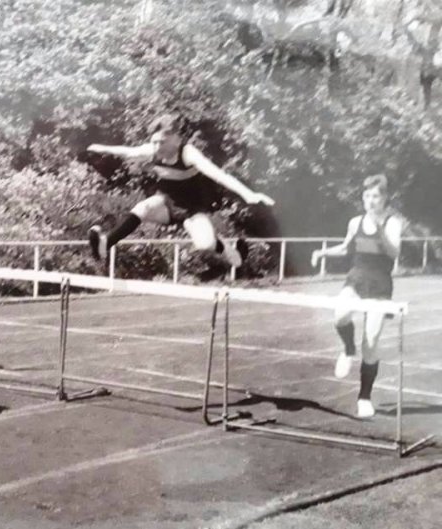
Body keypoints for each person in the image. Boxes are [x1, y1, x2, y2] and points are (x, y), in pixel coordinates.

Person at [86, 114, 274, 269]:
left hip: (192, 207)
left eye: (162, 142)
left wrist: (248, 194)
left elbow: (218, 175)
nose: (157, 147)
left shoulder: (188, 153)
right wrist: (101, 148)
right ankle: (106, 244)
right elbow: (126, 151)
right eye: (155, 142)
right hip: (166, 203)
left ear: (177, 140)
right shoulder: (152, 151)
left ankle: (230, 250)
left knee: (205, 245)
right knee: (143, 207)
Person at [311, 174, 402, 419]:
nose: (371, 201)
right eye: (367, 196)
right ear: (363, 198)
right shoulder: (355, 222)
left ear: (384, 199)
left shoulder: (393, 223)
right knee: (340, 316)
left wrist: (380, 230)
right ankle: (348, 349)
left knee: (371, 344)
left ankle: (364, 397)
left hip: (380, 284)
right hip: (356, 278)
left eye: (376, 196)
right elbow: (346, 247)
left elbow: (394, 253)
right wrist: (322, 253)